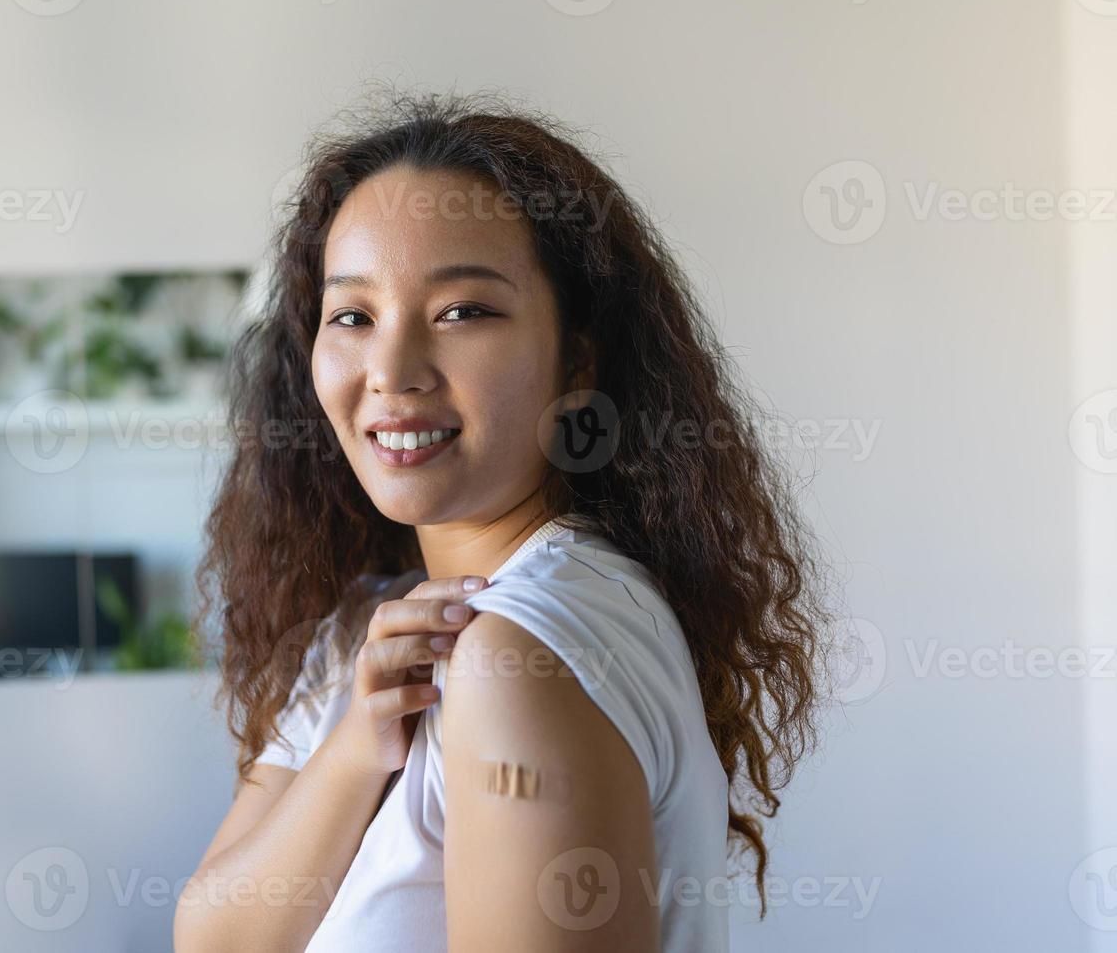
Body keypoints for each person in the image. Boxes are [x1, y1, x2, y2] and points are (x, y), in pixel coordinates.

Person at [174, 87, 833, 952]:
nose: (392, 369)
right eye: (354, 316)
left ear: (577, 361)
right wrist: (356, 749)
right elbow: (211, 935)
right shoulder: (367, 633)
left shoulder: (515, 656)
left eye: (463, 312)